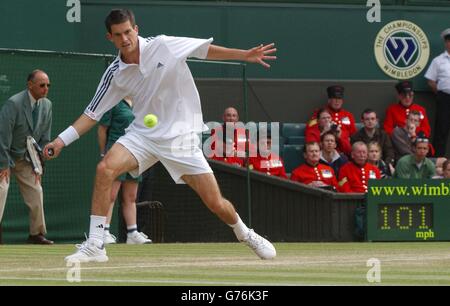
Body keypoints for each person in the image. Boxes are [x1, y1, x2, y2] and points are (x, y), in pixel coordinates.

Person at [44, 9, 277, 262]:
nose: (125, 38)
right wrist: (60, 141)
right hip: (143, 136)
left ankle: (245, 233)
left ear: (136, 30)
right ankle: (95, 245)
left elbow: (203, 51)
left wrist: (244, 55)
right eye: (118, 35)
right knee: (105, 169)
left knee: (215, 202)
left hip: (180, 137)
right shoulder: (115, 73)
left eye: (128, 32)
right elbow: (92, 114)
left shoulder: (164, 45)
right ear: (109, 37)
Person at [0, 70, 53, 244]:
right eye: (42, 85)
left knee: (37, 190)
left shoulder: (47, 106)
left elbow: (44, 138)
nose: (46, 89)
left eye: (48, 85)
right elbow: (3, 135)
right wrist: (3, 165)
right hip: (5, 155)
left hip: (26, 159)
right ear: (30, 85)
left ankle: (36, 234)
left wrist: (39, 165)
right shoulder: (13, 104)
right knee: (2, 189)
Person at [97, 97, 152, 244]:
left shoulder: (140, 102)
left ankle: (132, 233)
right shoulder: (113, 102)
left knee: (131, 196)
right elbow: (102, 129)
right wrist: (104, 153)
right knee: (111, 195)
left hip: (135, 153)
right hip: (115, 153)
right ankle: (104, 231)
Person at [425, 28, 450, 156]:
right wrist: (441, 93)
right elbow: (430, 81)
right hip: (444, 98)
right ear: (445, 43)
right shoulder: (438, 61)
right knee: (441, 130)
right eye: (448, 41)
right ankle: (438, 161)